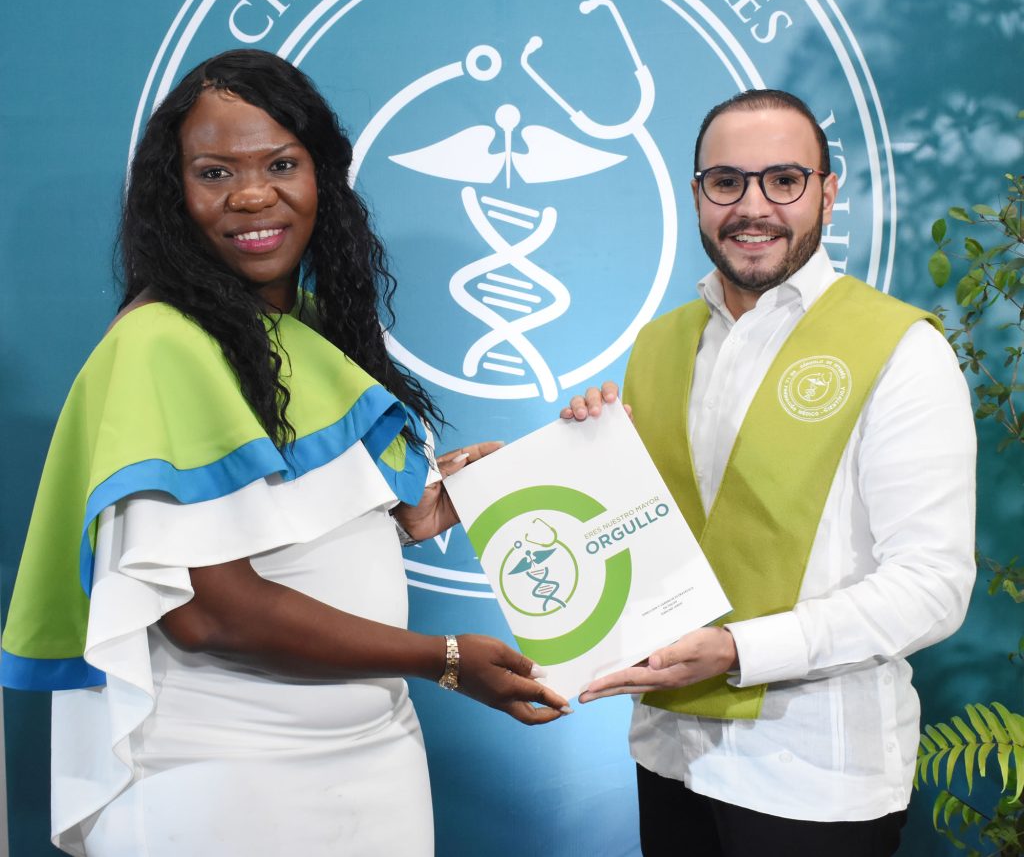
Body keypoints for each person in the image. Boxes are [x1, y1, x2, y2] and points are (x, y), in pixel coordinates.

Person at [0, 49, 568, 857]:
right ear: (173, 192)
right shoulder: (160, 342)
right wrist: (442, 659)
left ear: (321, 176)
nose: (252, 195)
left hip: (376, 758)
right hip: (222, 781)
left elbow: (281, 521)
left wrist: (411, 511)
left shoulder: (305, 325)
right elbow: (208, 612)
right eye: (214, 173)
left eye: (280, 164)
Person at [562, 88, 976, 856]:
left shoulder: (902, 352)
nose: (753, 207)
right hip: (668, 754)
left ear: (827, 192)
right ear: (697, 195)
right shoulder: (660, 343)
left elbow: (933, 585)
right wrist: (583, 461)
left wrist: (740, 650)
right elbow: (646, 542)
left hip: (812, 776)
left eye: (784, 180)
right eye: (727, 182)